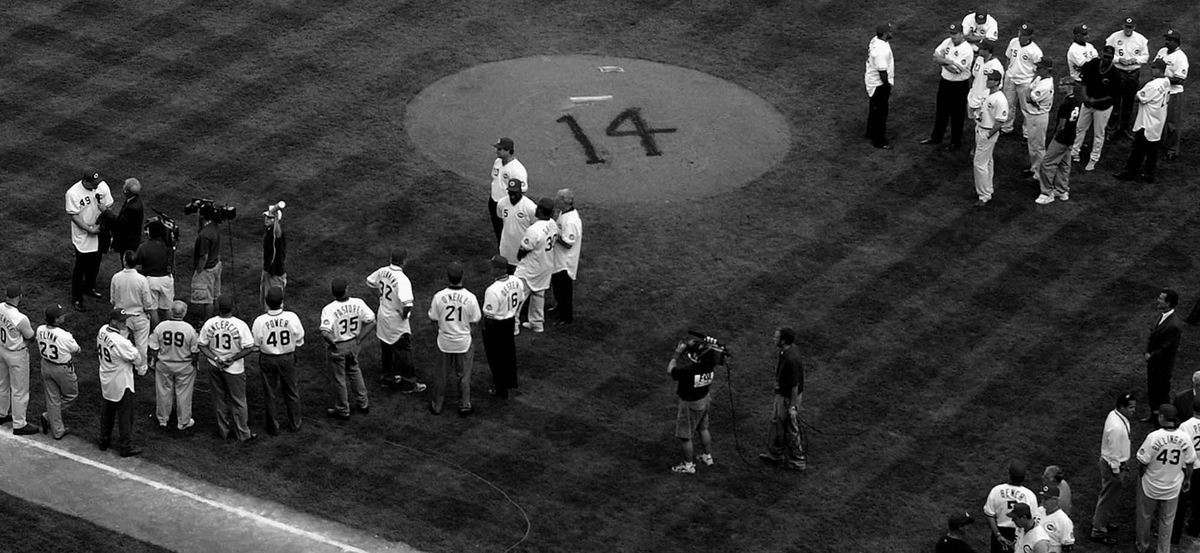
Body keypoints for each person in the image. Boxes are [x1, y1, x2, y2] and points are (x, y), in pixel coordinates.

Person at [1135, 404, 1195, 553]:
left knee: (1145, 517)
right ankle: (1163, 550)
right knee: (1167, 522)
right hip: (1172, 488)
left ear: (1162, 417)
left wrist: (1141, 476)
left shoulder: (1153, 436)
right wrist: (1187, 479)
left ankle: (1142, 547)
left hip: (1150, 485)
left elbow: (1142, 462)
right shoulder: (1185, 438)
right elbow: (1190, 463)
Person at [365, 248, 425, 393]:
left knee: (386, 349)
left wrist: (381, 295)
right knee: (404, 351)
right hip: (395, 320)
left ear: (391, 258)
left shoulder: (382, 271)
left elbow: (369, 281)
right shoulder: (402, 280)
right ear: (404, 261)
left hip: (382, 315)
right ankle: (409, 384)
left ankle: (387, 378)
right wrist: (404, 315)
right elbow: (407, 304)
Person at [198, 295, 257, 442]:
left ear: (218, 308)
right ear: (232, 308)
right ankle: (243, 434)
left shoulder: (209, 323)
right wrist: (232, 359)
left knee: (219, 400)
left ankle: (223, 431)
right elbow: (249, 347)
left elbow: (202, 345)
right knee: (239, 401)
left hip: (215, 365)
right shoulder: (240, 325)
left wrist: (216, 358)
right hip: (234, 369)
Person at [427, 262, 481, 416]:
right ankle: (465, 405)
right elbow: (475, 320)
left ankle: (437, 406)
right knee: (464, 376)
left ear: (448, 277)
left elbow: (433, 319)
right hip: (463, 342)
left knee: (441, 376)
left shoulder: (439, 296)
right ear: (462, 276)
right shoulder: (470, 297)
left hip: (444, 342)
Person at [319, 278, 375, 420]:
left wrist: (333, 345)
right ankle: (363, 404)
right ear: (346, 290)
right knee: (355, 371)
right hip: (353, 345)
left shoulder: (329, 309)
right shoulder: (358, 303)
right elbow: (371, 321)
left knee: (339, 378)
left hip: (338, 345)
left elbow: (325, 333)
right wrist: (359, 339)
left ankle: (343, 410)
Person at [252, 287, 305, 435]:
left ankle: (273, 428)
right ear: (282, 302)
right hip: (287, 358)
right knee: (292, 391)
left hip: (267, 359)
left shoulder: (260, 321)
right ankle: (295, 424)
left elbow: (256, 344)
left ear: (266, 303)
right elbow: (300, 339)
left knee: (270, 393)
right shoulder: (292, 317)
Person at [667, 337, 721, 475]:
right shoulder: (711, 365)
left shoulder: (689, 371)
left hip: (690, 404)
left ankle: (689, 466)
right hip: (704, 399)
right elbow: (719, 353)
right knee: (703, 428)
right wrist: (710, 344)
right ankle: (707, 457)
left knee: (686, 436)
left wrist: (676, 354)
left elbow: (670, 370)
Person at [96, 308, 145, 456]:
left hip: (106, 377)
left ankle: (104, 441)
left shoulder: (102, 330)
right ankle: (126, 447)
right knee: (125, 416)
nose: (125, 323)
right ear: (114, 321)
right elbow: (138, 359)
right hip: (122, 382)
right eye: (122, 321)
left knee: (107, 412)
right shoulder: (122, 342)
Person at [1114, 60, 1171, 184]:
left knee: (1137, 150)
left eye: (1154, 68)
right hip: (1158, 122)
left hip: (1146, 123)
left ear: (1159, 70)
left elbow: (1138, 98)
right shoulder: (1167, 82)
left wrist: (1139, 95)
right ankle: (1148, 174)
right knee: (1152, 151)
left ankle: (1130, 173)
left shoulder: (1153, 85)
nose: (1152, 70)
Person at [1090, 392, 1136, 545]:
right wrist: (1118, 471)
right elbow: (1114, 452)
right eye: (1130, 407)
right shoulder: (1117, 427)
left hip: (1112, 463)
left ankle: (1102, 521)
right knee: (1107, 498)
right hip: (1112, 466)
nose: (1133, 410)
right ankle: (1098, 530)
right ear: (1121, 407)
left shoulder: (1115, 415)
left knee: (1108, 497)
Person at [758, 327, 806, 471]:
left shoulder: (791, 359)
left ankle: (798, 461)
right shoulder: (788, 351)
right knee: (776, 423)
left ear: (783, 340)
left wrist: (792, 407)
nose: (774, 339)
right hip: (783, 395)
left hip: (788, 397)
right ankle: (775, 454)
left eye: (776, 337)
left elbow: (794, 386)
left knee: (791, 428)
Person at [65, 171, 114, 312]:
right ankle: (77, 298)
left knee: (96, 262)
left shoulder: (102, 186)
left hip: (100, 231)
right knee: (80, 268)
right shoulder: (73, 193)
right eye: (93, 184)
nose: (97, 186)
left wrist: (102, 223)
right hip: (83, 235)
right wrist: (89, 229)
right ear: (85, 182)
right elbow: (74, 216)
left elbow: (108, 206)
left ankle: (89, 287)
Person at [921, 23, 973, 151]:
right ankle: (936, 137)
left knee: (957, 115)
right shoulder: (947, 42)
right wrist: (949, 62)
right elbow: (935, 56)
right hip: (945, 83)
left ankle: (955, 142)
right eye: (951, 33)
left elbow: (956, 71)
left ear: (961, 34)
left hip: (959, 86)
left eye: (955, 34)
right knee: (941, 111)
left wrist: (942, 61)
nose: (952, 36)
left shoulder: (966, 50)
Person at [147, 301, 198, 431]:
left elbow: (153, 347)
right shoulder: (189, 329)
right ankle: (183, 422)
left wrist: (154, 360)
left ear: (171, 311)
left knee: (163, 391)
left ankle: (163, 419)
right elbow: (194, 351)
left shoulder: (161, 326)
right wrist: (194, 364)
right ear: (184, 313)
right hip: (184, 365)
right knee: (184, 394)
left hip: (164, 364)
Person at [481, 255, 525, 399]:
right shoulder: (517, 281)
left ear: (498, 269)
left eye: (493, 266)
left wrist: (485, 329)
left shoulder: (493, 290)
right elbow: (521, 299)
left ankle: (501, 389)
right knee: (509, 353)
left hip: (496, 325)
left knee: (496, 357)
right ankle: (511, 382)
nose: (490, 269)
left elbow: (489, 314)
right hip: (510, 321)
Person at [1070, 46, 1118, 172]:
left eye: (1110, 58)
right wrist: (1085, 97)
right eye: (1105, 56)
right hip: (1088, 103)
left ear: (1112, 58)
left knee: (1099, 133)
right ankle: (1074, 152)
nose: (1107, 59)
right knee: (1080, 128)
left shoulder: (1115, 73)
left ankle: (1093, 159)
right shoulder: (1092, 64)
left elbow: (1112, 96)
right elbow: (1084, 82)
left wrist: (1095, 101)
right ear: (1101, 54)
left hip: (1103, 108)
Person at [36, 304, 80, 439]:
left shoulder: (39, 329)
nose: (64, 316)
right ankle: (48, 416)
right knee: (71, 395)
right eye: (61, 315)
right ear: (56, 320)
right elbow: (77, 349)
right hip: (62, 369)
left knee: (52, 398)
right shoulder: (64, 335)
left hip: (45, 365)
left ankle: (57, 430)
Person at [111, 250, 158, 376]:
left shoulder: (116, 277)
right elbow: (147, 301)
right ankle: (141, 368)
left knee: (120, 343)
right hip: (139, 316)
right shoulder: (142, 280)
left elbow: (113, 299)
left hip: (122, 316)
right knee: (141, 344)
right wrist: (148, 311)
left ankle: (119, 366)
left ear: (124, 261)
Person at [1035, 78, 1082, 205]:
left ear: (1069, 86)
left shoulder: (1066, 104)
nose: (1059, 86)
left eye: (1062, 85)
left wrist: (1054, 138)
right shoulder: (1077, 101)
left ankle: (1046, 192)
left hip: (1062, 138)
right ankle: (1062, 190)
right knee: (1064, 164)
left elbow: (1061, 125)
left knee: (1047, 163)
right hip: (1071, 136)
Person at [515, 198, 559, 334]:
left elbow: (524, 249)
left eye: (538, 207)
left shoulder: (534, 230)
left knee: (518, 296)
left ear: (540, 210)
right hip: (545, 266)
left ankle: (513, 326)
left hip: (530, 269)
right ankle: (537, 324)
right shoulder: (553, 224)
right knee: (538, 295)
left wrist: (519, 256)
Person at [0, 286, 38, 435]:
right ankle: (19, 424)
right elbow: (30, 336)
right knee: (19, 390)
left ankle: (1, 414)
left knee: (2, 384)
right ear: (20, 296)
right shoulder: (21, 318)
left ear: (5, 294)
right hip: (16, 355)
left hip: (1, 349)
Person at [1141, 288, 1183, 422]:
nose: (1157, 300)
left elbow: (1168, 348)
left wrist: (1151, 355)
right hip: (1154, 361)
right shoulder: (1162, 315)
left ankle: (1165, 417)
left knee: (1161, 391)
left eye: (1161, 299)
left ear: (1169, 303)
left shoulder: (1174, 325)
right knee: (1153, 389)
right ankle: (1154, 414)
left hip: (1162, 365)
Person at [1106, 17, 1150, 138]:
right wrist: (1119, 59)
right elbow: (1107, 54)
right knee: (1115, 102)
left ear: (1134, 27)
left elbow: (1145, 57)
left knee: (1128, 103)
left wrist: (1134, 60)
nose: (1128, 29)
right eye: (1126, 27)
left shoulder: (1141, 39)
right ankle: (1111, 129)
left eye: (1130, 27)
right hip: (1118, 73)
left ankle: (1124, 129)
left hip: (1133, 74)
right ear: (1122, 26)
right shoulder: (1114, 37)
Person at [983, 460, 1039, 553]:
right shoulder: (1030, 495)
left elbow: (990, 515)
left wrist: (998, 535)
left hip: (1001, 531)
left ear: (1009, 475)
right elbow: (1033, 520)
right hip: (1021, 532)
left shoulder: (996, 490)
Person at [973, 70, 1008, 207]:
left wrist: (988, 135)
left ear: (997, 82)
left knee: (979, 163)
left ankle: (984, 196)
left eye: (990, 79)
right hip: (981, 129)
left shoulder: (1000, 99)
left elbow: (1000, 121)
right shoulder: (988, 93)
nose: (987, 81)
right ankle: (988, 189)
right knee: (987, 161)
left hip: (988, 132)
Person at [1001, 24, 1043, 136]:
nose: (1020, 36)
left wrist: (1032, 85)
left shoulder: (1035, 51)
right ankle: (1006, 128)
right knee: (1007, 105)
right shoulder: (1013, 42)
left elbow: (1039, 70)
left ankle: (1027, 134)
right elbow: (1008, 57)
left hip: (1025, 82)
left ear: (1030, 36)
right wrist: (1008, 72)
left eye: (1023, 35)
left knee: (1026, 109)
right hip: (1010, 79)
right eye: (1020, 33)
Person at [1154, 30, 1189, 160]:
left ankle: (1172, 149)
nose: (1166, 41)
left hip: (1174, 93)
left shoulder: (1181, 58)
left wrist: (1163, 78)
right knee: (1159, 118)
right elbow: (1155, 66)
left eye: (1169, 39)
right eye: (1166, 38)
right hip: (1159, 92)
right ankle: (1160, 142)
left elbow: (1180, 79)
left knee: (1172, 123)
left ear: (1176, 42)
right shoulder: (1162, 51)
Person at [550, 189, 582, 326]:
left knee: (565, 291)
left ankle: (566, 318)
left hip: (565, 262)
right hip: (558, 259)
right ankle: (559, 306)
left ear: (565, 201)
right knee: (557, 287)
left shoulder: (571, 221)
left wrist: (555, 235)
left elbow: (568, 243)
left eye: (558, 199)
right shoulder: (564, 213)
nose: (555, 200)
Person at [1172, 396, 1200, 546]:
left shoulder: (1184, 426)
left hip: (1189, 467)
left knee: (1181, 503)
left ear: (1193, 409)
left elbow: (1181, 446)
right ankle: (1195, 529)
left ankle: (1174, 535)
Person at [488, 137, 528, 242]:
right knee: (498, 229)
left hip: (507, 205)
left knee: (508, 232)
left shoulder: (517, 169)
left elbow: (523, 189)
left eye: (499, 149)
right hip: (493, 201)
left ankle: (508, 253)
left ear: (508, 150)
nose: (496, 151)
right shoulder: (497, 161)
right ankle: (501, 251)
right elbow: (495, 178)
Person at [1021, 58, 1055, 179]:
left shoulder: (1046, 85)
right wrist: (1029, 90)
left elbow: (1028, 98)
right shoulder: (1040, 78)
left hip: (1039, 117)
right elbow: (1028, 91)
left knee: (1039, 146)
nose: (1036, 69)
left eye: (1040, 68)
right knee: (1032, 144)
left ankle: (1040, 173)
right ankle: (1034, 168)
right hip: (1033, 115)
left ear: (1047, 70)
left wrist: (1029, 91)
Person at [136, 220, 174, 322]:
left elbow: (137, 263)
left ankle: (155, 332)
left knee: (152, 310)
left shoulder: (143, 246)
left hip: (151, 280)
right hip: (166, 279)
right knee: (168, 308)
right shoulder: (167, 245)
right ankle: (171, 330)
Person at [865, 23, 895, 150]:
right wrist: (887, 86)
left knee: (874, 109)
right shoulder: (881, 51)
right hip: (879, 84)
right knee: (881, 113)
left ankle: (870, 132)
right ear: (884, 34)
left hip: (872, 81)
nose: (891, 33)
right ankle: (879, 141)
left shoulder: (875, 40)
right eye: (889, 31)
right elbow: (882, 72)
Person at [497, 178, 537, 273]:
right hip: (506, 248)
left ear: (520, 191)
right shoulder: (501, 203)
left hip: (522, 250)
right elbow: (500, 218)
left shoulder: (530, 207)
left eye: (515, 192)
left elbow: (536, 227)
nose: (512, 195)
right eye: (510, 192)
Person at [190, 205, 222, 321]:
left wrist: (199, 271)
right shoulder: (215, 226)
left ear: (202, 216)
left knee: (207, 300)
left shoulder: (204, 235)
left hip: (206, 269)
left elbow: (204, 257)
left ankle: (206, 324)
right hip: (216, 265)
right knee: (215, 295)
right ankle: (217, 317)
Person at [968, 40, 1005, 122]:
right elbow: (974, 75)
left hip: (983, 100)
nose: (978, 49)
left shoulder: (996, 66)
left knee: (983, 123)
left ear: (987, 51)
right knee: (974, 123)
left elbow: (998, 86)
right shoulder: (979, 59)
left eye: (981, 48)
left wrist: (986, 100)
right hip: (973, 95)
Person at [260, 202, 286, 309]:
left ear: (275, 220)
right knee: (265, 299)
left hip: (274, 274)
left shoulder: (275, 234)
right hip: (271, 271)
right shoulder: (270, 232)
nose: (266, 219)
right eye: (266, 217)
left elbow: (276, 256)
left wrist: (269, 270)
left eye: (269, 218)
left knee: (273, 304)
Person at [110, 178, 144, 255]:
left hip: (127, 243)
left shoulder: (132, 208)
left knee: (126, 262)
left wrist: (106, 211)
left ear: (127, 192)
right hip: (131, 239)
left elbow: (120, 223)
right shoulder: (134, 199)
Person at [1036, 484, 1074, 552]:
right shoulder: (1038, 511)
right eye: (1043, 497)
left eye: (1046, 498)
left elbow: (1067, 547)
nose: (1043, 500)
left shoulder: (1064, 520)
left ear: (1055, 500)